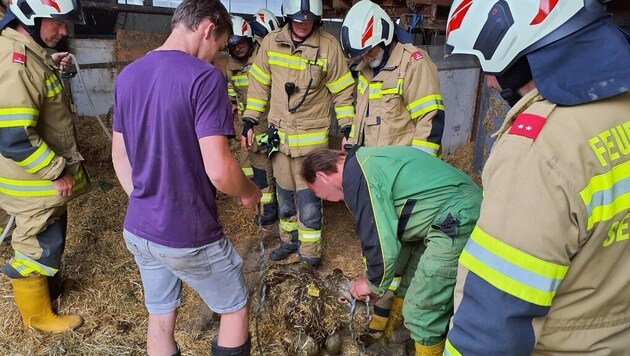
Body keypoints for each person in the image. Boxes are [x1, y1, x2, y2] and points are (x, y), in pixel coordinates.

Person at [444, 1, 630, 354]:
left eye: (488, 64)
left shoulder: (538, 154)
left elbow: (490, 327)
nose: (488, 79)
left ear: (517, 53)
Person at [111, 1, 261, 355]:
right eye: (219, 47)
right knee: (235, 306)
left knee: (160, 314)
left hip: (139, 229)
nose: (215, 57)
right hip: (186, 233)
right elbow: (220, 170)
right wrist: (249, 191)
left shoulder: (128, 75)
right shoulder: (205, 77)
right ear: (208, 28)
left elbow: (120, 155)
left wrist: (148, 199)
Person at [301, 146, 482, 355]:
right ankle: (395, 342)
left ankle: (425, 346)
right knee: (408, 281)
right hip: (444, 214)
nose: (321, 198)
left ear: (321, 176)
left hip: (456, 216)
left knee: (422, 308)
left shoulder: (361, 178)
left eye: (317, 192)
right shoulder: (363, 162)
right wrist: (379, 280)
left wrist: (373, 283)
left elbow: (378, 235)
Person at [242, 0, 356, 267]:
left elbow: (342, 92)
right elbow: (258, 86)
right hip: (280, 140)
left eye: (308, 19)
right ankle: (288, 241)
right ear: (288, 17)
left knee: (309, 201)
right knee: (284, 195)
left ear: (316, 19)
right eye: (297, 19)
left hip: (312, 144)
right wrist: (249, 120)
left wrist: (347, 125)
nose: (302, 23)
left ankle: (309, 252)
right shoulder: (271, 43)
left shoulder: (328, 47)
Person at [0, 0, 89, 333]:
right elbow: (13, 136)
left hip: (37, 182)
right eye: (57, 22)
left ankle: (47, 292)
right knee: (35, 245)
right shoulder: (16, 60)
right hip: (35, 180)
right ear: (30, 18)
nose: (64, 31)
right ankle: (37, 317)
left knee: (50, 237)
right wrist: (56, 170)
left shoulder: (28, 53)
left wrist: (51, 64)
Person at [339, 0, 445, 156]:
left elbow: (429, 121)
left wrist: (418, 167)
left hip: (401, 168)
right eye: (360, 54)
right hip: (373, 165)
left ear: (384, 38)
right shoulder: (366, 68)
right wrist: (351, 141)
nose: (365, 58)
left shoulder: (413, 63)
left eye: (368, 51)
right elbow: (364, 114)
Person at [227, 13, 279, 227]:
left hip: (269, 120)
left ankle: (277, 208)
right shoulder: (231, 66)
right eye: (233, 46)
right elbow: (233, 92)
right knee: (256, 165)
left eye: (240, 44)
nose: (238, 49)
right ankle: (266, 206)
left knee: (274, 165)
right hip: (248, 124)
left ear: (249, 39)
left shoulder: (263, 55)